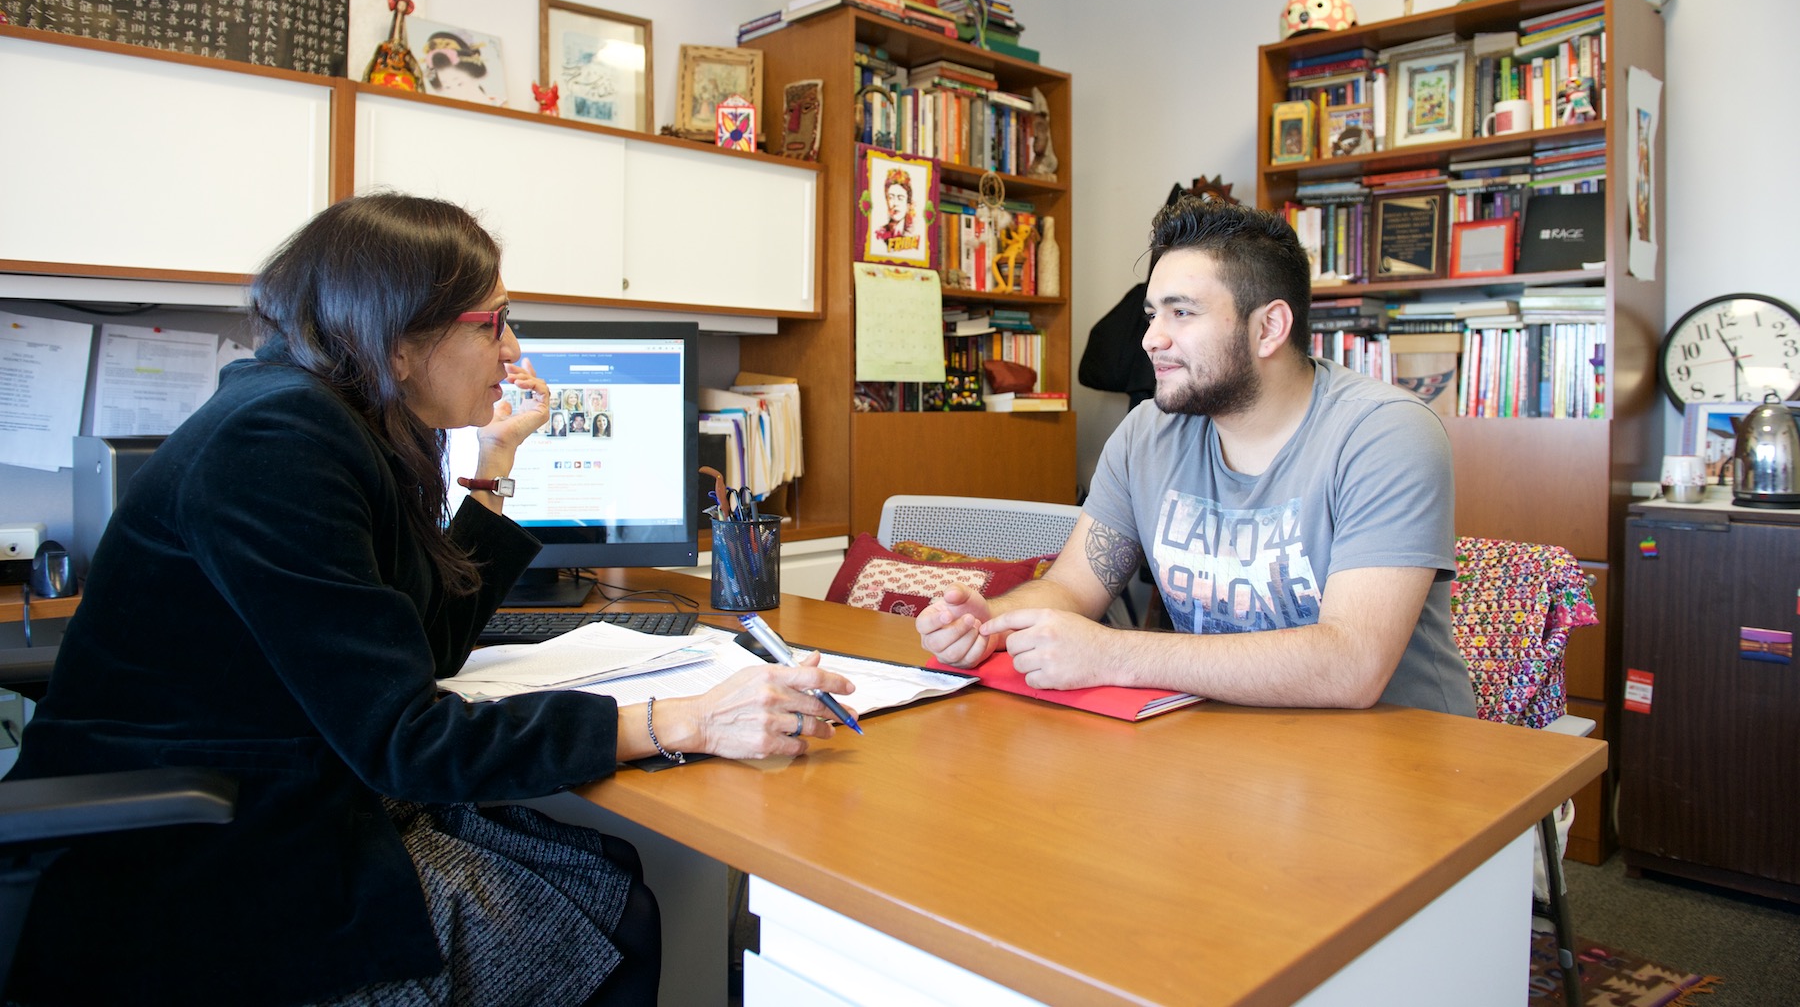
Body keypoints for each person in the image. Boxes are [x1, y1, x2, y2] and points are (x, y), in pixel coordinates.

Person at [6, 193, 853, 1006]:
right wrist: (684, 721)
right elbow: (404, 740)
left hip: (269, 798)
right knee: (612, 915)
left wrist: (490, 466)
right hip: (197, 863)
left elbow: (426, 646)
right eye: (495, 323)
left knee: (604, 877)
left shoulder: (326, 418)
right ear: (399, 338)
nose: (515, 352)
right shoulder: (279, 444)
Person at [917, 195, 1476, 716]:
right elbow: (1071, 589)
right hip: (1221, 749)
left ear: (1269, 328)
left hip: (1403, 768)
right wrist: (992, 621)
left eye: (1181, 313)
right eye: (1152, 314)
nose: (1150, 339)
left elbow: (1351, 664)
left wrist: (1115, 654)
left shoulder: (1385, 434)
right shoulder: (1146, 434)